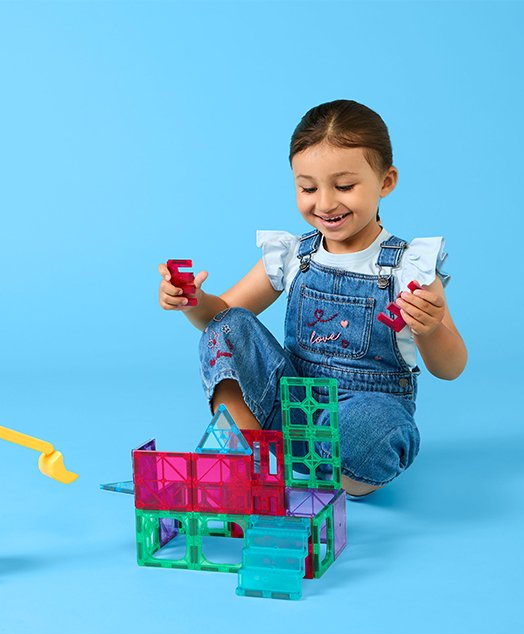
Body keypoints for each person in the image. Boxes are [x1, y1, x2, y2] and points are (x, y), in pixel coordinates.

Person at [157, 99, 467, 497]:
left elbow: (451, 366)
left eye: (344, 186)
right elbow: (218, 320)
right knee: (230, 326)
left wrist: (429, 328)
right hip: (288, 408)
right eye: (307, 188)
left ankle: (331, 468)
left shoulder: (411, 266)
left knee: (369, 431)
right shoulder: (292, 254)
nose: (324, 203)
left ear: (386, 182)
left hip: (361, 410)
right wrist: (193, 299)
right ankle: (245, 461)